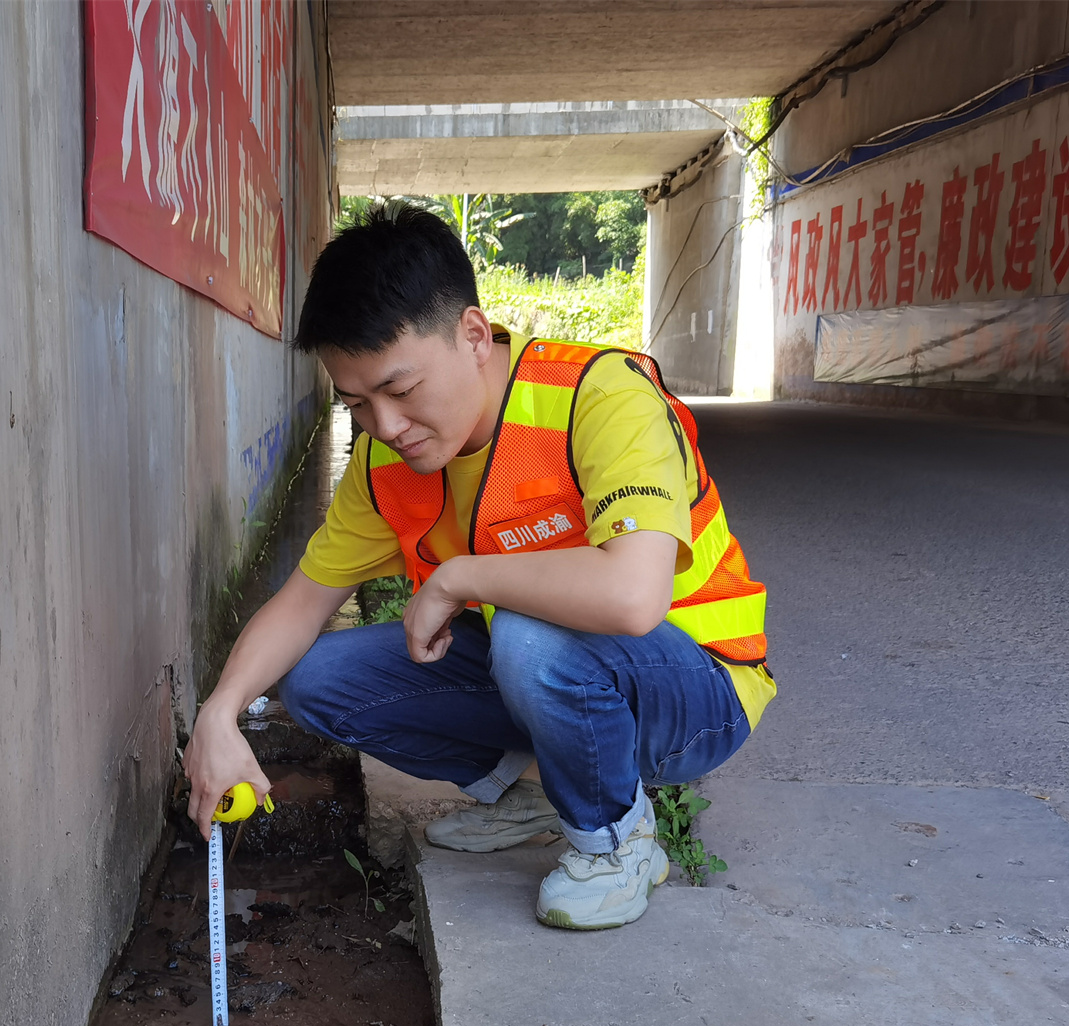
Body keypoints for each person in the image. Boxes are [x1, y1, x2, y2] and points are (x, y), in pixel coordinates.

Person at [183, 206, 775, 930]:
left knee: (529, 635)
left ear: (471, 335)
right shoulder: (383, 464)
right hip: (547, 669)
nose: (386, 427)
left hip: (695, 688)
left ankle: (619, 842)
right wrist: (219, 713)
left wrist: (460, 578)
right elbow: (304, 603)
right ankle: (541, 790)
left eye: (401, 391)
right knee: (319, 681)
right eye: (357, 404)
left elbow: (632, 597)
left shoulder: (597, 397)